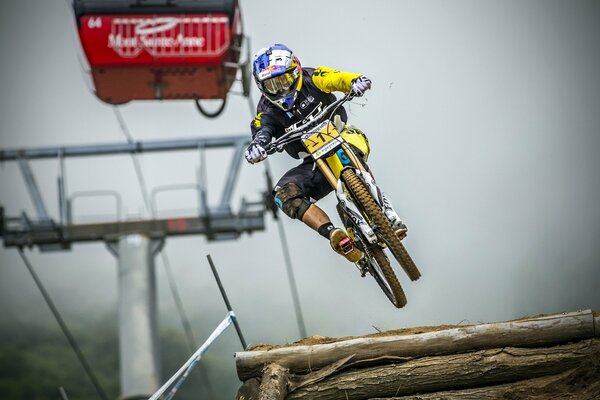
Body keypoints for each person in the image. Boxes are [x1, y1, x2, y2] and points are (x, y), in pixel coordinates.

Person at [244, 43, 405, 263]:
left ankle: (383, 212)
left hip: (345, 137)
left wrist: (355, 81)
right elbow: (262, 130)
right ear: (261, 87)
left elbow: (337, 78)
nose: (281, 89)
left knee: (350, 151)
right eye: (272, 85)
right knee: (283, 194)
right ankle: (333, 235)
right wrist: (258, 146)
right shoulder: (266, 110)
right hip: (314, 164)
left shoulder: (313, 77)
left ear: (296, 70)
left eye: (283, 80)